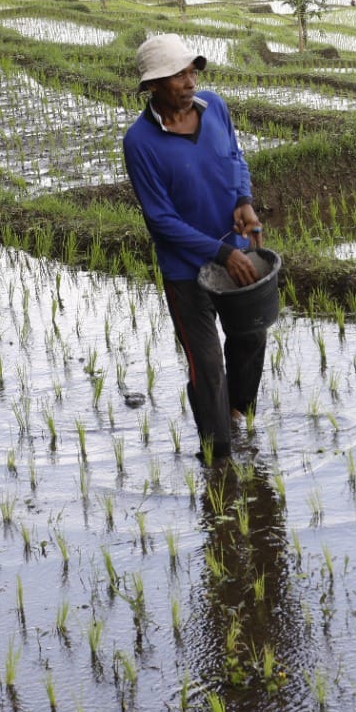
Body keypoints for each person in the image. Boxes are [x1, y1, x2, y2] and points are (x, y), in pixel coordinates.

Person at [123, 33, 264, 460]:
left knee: (251, 338)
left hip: (233, 250)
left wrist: (244, 200)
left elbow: (236, 158)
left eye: (190, 72)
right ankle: (217, 456)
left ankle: (236, 413)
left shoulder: (215, 106)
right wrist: (223, 253)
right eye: (176, 76)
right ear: (152, 87)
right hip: (186, 272)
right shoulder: (140, 143)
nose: (188, 82)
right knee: (206, 365)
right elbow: (161, 221)